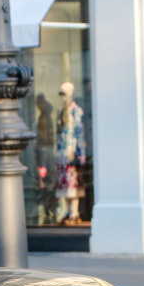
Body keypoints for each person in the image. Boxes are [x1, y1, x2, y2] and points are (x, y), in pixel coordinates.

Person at [55, 82, 87, 224]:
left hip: (72, 151)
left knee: (73, 182)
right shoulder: (61, 110)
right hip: (62, 152)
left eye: (65, 93)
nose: (63, 97)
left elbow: (79, 132)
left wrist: (81, 152)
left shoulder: (76, 110)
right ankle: (67, 211)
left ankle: (74, 212)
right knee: (64, 182)